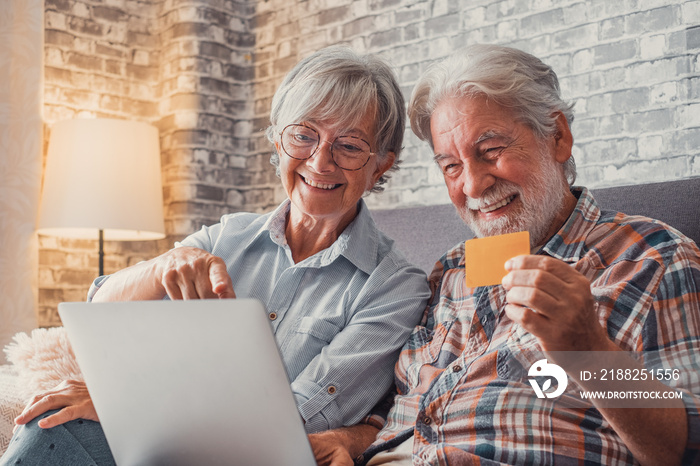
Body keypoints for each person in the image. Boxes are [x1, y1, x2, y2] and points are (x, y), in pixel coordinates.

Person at [1, 46, 431, 465]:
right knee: (50, 419)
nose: (320, 162)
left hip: (247, 453)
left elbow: (297, 419)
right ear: (279, 141)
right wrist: (160, 267)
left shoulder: (395, 287)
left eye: (350, 146)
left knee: (64, 428)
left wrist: (127, 406)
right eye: (303, 135)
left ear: (381, 165)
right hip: (161, 439)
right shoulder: (229, 235)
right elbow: (100, 311)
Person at [309, 44, 700, 465]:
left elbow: (687, 447)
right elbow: (407, 404)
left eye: (490, 150)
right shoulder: (452, 271)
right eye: (451, 166)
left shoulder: (651, 259)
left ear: (558, 136)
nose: (473, 186)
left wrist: (587, 350)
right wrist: (352, 439)